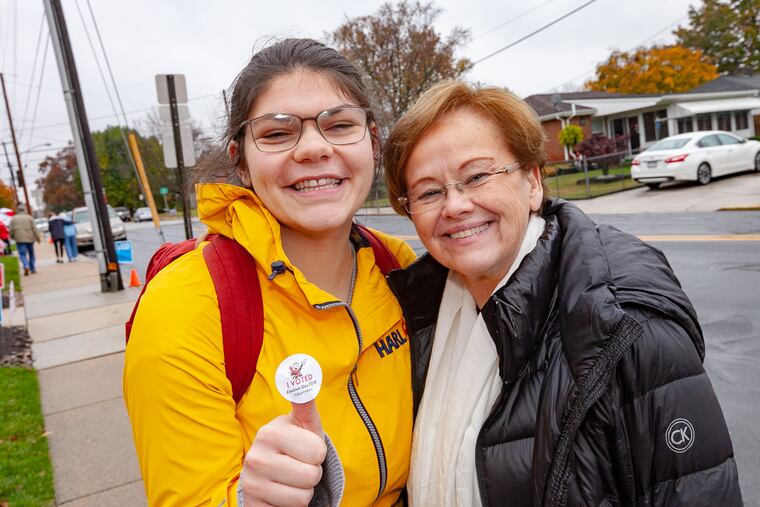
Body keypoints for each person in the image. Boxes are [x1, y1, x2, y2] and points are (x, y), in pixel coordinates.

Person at [383, 81, 743, 506]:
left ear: (532, 182)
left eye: (477, 176)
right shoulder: (414, 314)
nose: (455, 206)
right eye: (428, 192)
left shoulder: (624, 326)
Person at [123, 38, 416, 507]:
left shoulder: (397, 264)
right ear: (240, 160)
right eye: (278, 134)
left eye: (340, 125)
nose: (314, 149)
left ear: (373, 142)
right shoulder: (186, 306)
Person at [9, 206, 41, 276]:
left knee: (22, 254)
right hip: (29, 238)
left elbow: (10, 230)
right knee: (31, 253)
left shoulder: (14, 219)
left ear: (18, 210)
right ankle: (32, 268)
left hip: (19, 238)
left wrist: (12, 237)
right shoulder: (29, 218)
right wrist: (38, 238)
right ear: (25, 210)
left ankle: (26, 265)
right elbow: (35, 229)